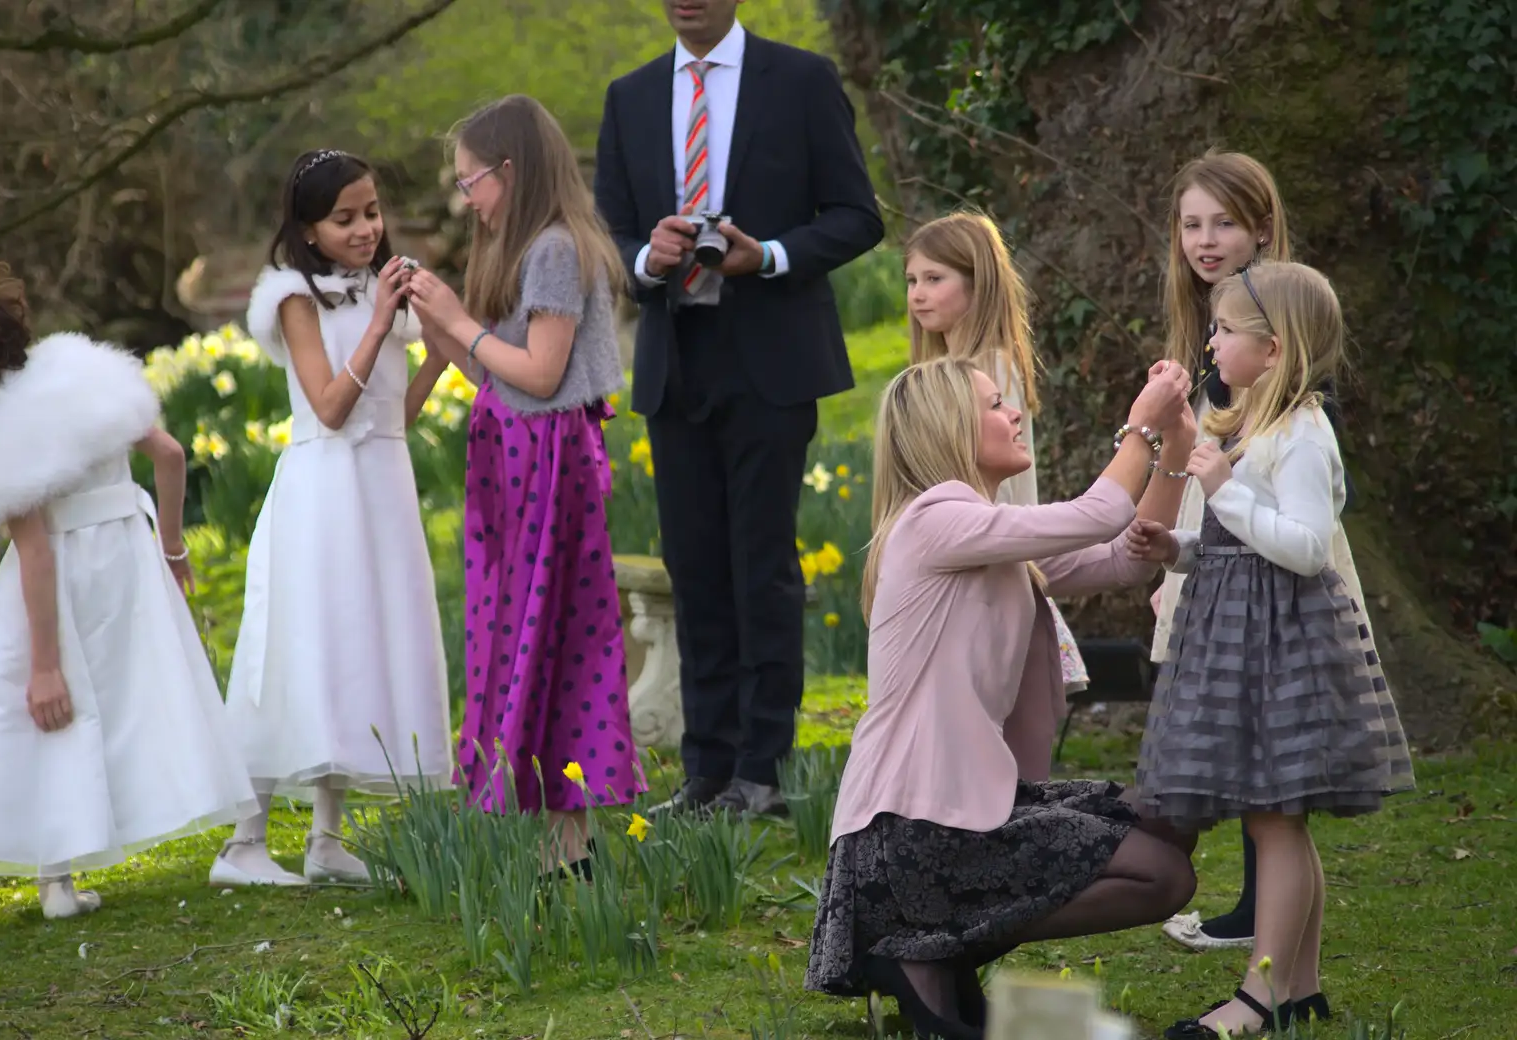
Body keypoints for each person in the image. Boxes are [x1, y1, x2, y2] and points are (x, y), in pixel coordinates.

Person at [805, 356, 1199, 1040]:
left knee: (1170, 817)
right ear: (949, 427)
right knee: (1162, 874)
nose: (1014, 414)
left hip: (969, 805)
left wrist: (1177, 447)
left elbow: (1128, 556)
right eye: (995, 405)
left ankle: (934, 944)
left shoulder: (986, 530)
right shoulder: (933, 520)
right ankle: (922, 939)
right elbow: (1099, 511)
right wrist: (1141, 422)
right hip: (910, 827)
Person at [593, 0, 884, 815]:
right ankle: (706, 768)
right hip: (675, 360)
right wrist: (646, 259)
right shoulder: (632, 95)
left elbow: (858, 217)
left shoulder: (800, 80)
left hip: (771, 358)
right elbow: (608, 236)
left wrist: (774, 256)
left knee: (761, 563)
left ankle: (764, 768)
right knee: (694, 565)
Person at [0, 268, 257, 932]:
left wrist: (44, 662)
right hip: (124, 569)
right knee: (80, 712)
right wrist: (171, 545)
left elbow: (37, 552)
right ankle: (53, 879)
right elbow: (169, 453)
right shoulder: (76, 370)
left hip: (60, 576)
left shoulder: (3, 429)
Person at [1128, 262, 1415, 1040]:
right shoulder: (1253, 423)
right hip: (1244, 639)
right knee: (1278, 821)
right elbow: (1238, 542)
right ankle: (1300, 984)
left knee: (1275, 821)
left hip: (1280, 650)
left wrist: (1220, 488)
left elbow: (1304, 546)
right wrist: (1179, 546)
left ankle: (1260, 996)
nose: (1211, 342)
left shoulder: (1302, 435)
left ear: (1275, 348)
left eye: (1225, 330)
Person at [404, 95, 641, 877]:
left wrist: (459, 322)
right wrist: (444, 328)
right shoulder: (529, 247)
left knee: (554, 640)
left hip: (548, 467)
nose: (465, 198)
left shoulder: (555, 249)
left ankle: (570, 850)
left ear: (510, 170)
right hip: (515, 463)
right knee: (526, 642)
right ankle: (562, 849)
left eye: (471, 181)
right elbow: (501, 378)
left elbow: (540, 375)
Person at [213, 149, 452, 888]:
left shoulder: (374, 293)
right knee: (300, 640)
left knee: (362, 639)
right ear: (309, 229)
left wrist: (436, 355)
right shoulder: (294, 297)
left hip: (381, 483)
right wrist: (384, 322)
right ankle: (243, 842)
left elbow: (389, 420)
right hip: (322, 487)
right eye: (345, 218)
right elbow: (328, 407)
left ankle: (326, 836)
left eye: (372, 212)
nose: (365, 229)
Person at [1152, 149, 1368, 953]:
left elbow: (1287, 500)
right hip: (1223, 554)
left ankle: (1264, 934)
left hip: (1275, 568)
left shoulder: (1286, 357)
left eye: (1225, 223)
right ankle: (1265, 931)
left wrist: (1218, 492)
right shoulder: (1213, 337)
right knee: (1246, 752)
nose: (1205, 240)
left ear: (1263, 230)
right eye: (1191, 224)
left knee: (1270, 762)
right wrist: (1175, 555)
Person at [905, 210, 1092, 721]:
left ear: (978, 283)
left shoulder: (989, 372)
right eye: (912, 280)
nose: (918, 294)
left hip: (990, 564)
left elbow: (995, 488)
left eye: (935, 279)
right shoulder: (936, 378)